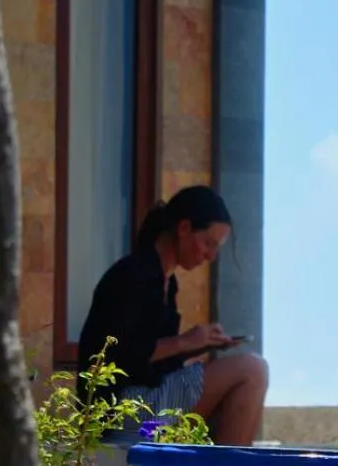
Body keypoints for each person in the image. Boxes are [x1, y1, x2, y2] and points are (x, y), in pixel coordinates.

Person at [77, 185, 269, 446]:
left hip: (145, 413)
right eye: (208, 243)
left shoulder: (168, 283)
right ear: (184, 229)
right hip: (120, 416)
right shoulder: (134, 274)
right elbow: (117, 355)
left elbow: (153, 362)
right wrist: (185, 342)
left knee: (234, 399)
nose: (211, 256)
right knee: (252, 369)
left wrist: (197, 346)